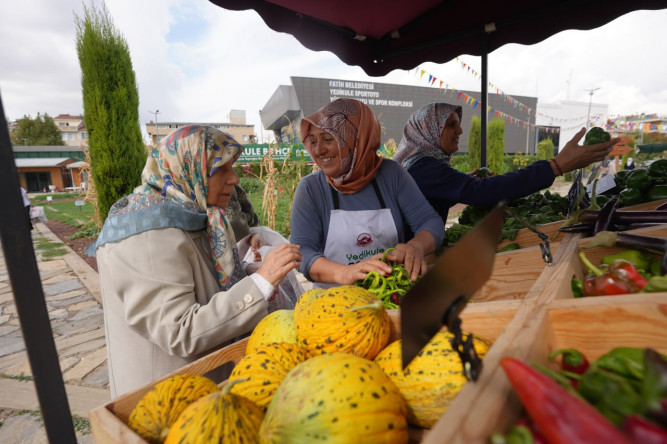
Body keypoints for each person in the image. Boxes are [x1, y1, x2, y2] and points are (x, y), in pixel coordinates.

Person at [93, 125, 302, 398]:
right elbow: (179, 330)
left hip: (201, 388)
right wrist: (260, 282)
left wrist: (248, 269)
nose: (235, 179)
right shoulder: (147, 236)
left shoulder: (189, 212)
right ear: (188, 167)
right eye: (222, 169)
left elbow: (199, 280)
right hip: (166, 402)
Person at [290, 98, 445, 288]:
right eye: (312, 141)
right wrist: (345, 273)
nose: (319, 150)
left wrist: (415, 247)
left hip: (390, 292)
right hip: (334, 304)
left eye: (328, 139)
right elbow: (303, 251)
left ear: (357, 138)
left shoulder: (391, 174)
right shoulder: (311, 189)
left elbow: (430, 221)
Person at [393, 102, 620, 227]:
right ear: (429, 129)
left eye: (458, 124)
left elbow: (427, 198)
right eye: (451, 125)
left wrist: (461, 183)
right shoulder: (423, 168)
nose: (460, 130)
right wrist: (555, 166)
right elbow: (482, 193)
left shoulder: (419, 164)